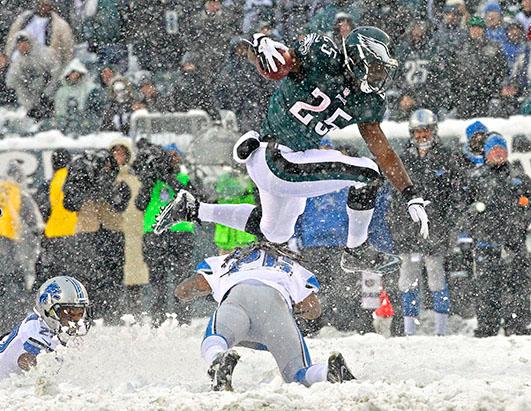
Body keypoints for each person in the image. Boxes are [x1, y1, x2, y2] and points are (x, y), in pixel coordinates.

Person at [154, 26, 430, 277]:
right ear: (357, 59)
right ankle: (357, 249)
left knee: (274, 231)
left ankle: (194, 209)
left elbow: (384, 151)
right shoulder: (323, 54)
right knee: (367, 173)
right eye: (377, 68)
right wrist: (260, 48)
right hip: (277, 157)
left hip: (283, 162)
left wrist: (410, 194)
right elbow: (279, 64)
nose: (381, 76)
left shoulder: (367, 100)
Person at [175, 245, 355, 391]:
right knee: (297, 373)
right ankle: (326, 372)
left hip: (239, 299)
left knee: (216, 339)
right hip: (276, 308)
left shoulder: (226, 260)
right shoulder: (292, 266)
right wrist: (295, 311)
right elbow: (313, 308)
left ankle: (217, 360)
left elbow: (183, 291)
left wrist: (209, 292)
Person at [388, 109, 458, 336]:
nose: (421, 136)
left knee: (437, 277)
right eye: (417, 132)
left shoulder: (446, 158)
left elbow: (455, 195)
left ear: (433, 131)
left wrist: (448, 223)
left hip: (436, 229)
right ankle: (409, 330)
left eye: (425, 130)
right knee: (408, 280)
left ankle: (441, 331)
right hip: (409, 228)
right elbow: (395, 196)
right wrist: (398, 224)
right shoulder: (404, 159)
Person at [0, 276, 90, 380]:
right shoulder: (34, 337)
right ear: (48, 309)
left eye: (80, 313)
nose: (76, 321)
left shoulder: (44, 323)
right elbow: (39, 376)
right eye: (69, 313)